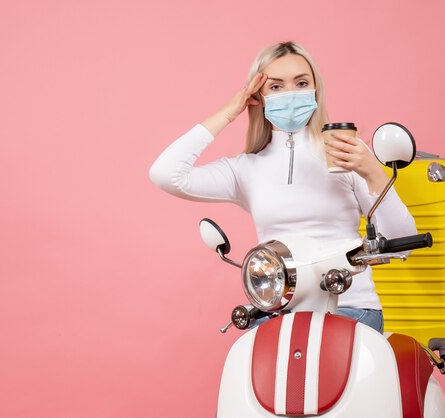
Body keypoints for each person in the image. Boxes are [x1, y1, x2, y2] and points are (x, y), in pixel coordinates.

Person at [149, 41, 416, 333]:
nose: (290, 94)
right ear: (259, 97)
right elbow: (166, 173)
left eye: (301, 83)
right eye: (276, 87)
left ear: (316, 90)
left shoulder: (346, 151)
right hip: (278, 311)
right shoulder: (245, 169)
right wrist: (230, 111)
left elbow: (402, 240)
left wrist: (372, 171)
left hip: (349, 306)